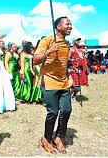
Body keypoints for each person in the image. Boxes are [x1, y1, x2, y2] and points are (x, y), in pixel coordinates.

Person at [33, 16, 73, 154]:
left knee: (66, 110)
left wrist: (69, 77)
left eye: (71, 24)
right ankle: (46, 138)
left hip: (64, 82)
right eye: (67, 24)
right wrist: (49, 51)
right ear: (58, 26)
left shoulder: (67, 44)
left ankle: (59, 137)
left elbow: (64, 63)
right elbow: (35, 60)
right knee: (53, 112)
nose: (70, 26)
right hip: (49, 80)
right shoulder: (47, 40)